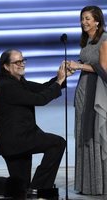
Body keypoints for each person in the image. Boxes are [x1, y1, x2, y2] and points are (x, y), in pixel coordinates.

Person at [0, 49, 72, 199]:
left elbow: (42, 88)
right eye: (17, 62)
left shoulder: (19, 82)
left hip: (17, 140)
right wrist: (58, 82)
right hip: (17, 140)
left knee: (20, 187)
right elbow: (39, 99)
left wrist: (61, 78)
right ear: (6, 67)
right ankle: (38, 190)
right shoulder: (7, 86)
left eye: (23, 60)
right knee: (57, 143)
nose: (22, 64)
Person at [67, 6, 107, 195]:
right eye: (82, 18)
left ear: (97, 21)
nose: (84, 22)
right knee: (82, 132)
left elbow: (104, 69)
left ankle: (98, 185)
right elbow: (86, 63)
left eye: (88, 19)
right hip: (83, 90)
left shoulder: (104, 40)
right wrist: (73, 67)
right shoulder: (86, 41)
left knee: (94, 133)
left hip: (96, 91)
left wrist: (79, 65)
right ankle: (86, 184)